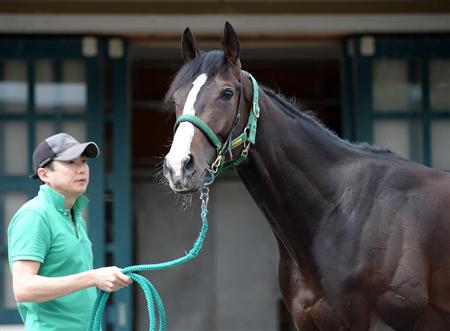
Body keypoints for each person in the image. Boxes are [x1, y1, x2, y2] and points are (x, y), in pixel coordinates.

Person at [7, 132, 132, 331]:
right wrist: (93, 278)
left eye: (83, 161)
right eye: (70, 163)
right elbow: (23, 288)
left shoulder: (75, 215)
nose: (81, 169)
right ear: (44, 174)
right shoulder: (34, 215)